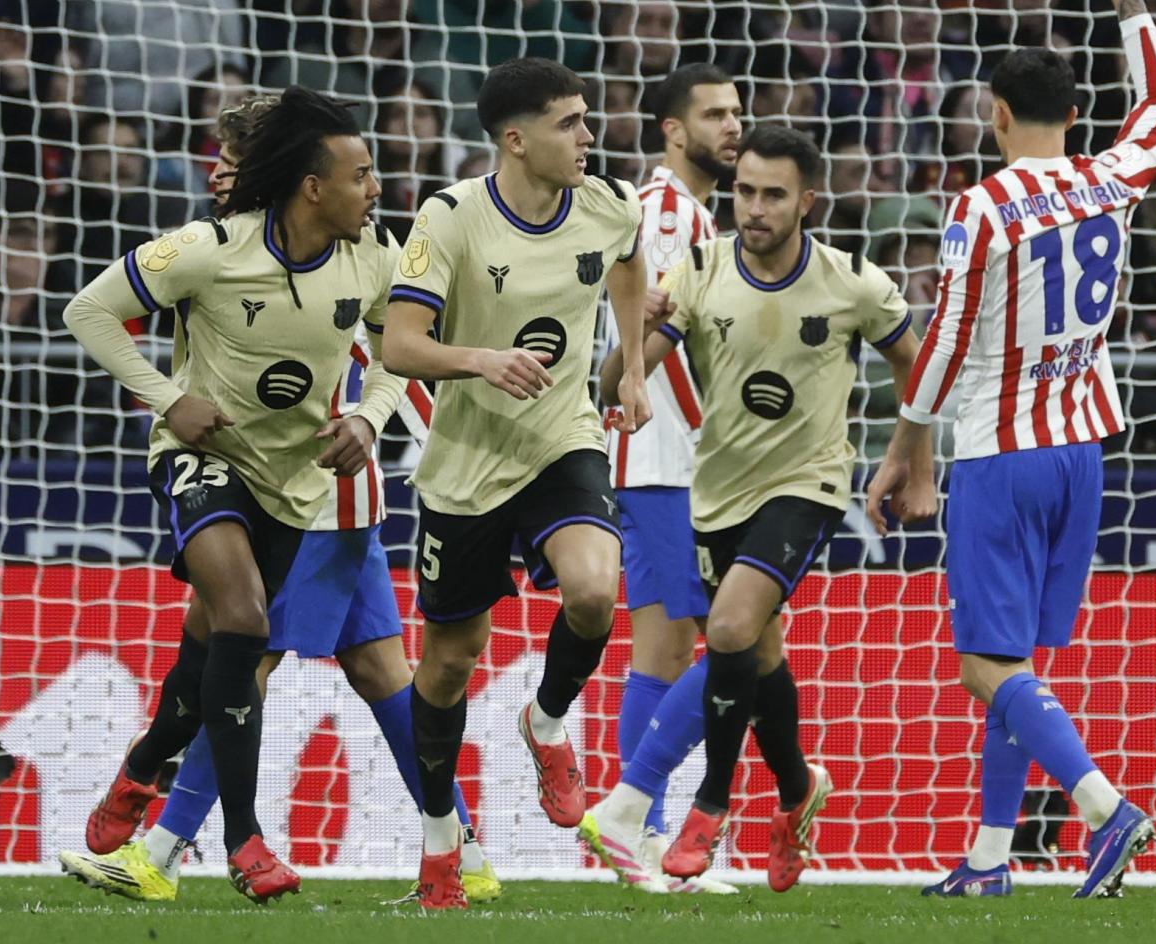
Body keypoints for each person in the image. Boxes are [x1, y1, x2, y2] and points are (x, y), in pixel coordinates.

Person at [55, 92, 498, 906]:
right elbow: (89, 309)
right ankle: (229, 840)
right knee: (248, 629)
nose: (377, 188)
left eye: (230, 161)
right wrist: (168, 399)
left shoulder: (370, 254)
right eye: (362, 174)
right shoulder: (208, 248)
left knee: (245, 661)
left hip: (314, 486)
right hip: (208, 458)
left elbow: (399, 348)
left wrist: (368, 417)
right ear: (310, 186)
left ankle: (148, 769)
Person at [867, 0, 1156, 900]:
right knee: (1015, 665)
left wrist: (904, 443)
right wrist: (1129, 3)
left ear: (995, 115)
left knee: (981, 664)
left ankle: (1104, 808)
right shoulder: (1111, 178)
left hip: (1001, 452)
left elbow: (948, 341)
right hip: (1084, 451)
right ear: (1075, 117)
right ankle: (993, 861)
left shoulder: (983, 208)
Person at [599, 124, 924, 893]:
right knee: (761, 656)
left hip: (807, 486)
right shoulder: (701, 269)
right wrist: (631, 334)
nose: (754, 208)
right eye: (744, 191)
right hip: (716, 494)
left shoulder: (854, 282)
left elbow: (919, 366)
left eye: (773, 195)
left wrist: (913, 461)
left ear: (807, 201)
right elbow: (625, 374)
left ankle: (709, 807)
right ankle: (796, 790)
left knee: (729, 629)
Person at [380, 57, 652, 910]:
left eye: (586, 118)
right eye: (569, 123)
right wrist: (479, 361)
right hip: (463, 467)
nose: (587, 135)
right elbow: (400, 344)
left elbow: (632, 265)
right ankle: (438, 848)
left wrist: (634, 363)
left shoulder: (610, 204)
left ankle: (546, 721)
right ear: (515, 139)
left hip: (560, 442)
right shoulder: (450, 218)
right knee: (450, 666)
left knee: (595, 591)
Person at [580, 63, 742, 895]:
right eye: (714, 114)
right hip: (666, 460)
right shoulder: (666, 213)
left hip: (671, 460)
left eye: (737, 113)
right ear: (672, 130)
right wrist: (723, 433)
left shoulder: (698, 213)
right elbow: (649, 345)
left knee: (676, 649)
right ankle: (638, 833)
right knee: (685, 647)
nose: (732, 127)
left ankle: (643, 836)